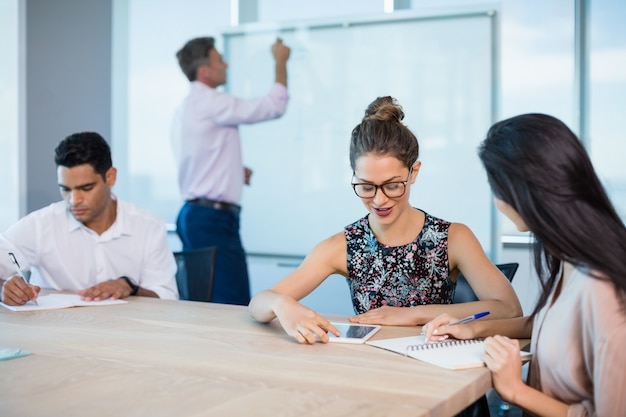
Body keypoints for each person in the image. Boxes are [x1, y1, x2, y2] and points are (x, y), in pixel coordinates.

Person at [248, 96, 522, 344]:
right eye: (366, 186)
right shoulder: (343, 245)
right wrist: (282, 304)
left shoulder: (453, 238)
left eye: (392, 185)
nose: (379, 200)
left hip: (437, 371)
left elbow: (509, 308)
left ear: (413, 172)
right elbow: (259, 303)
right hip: (371, 373)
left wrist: (412, 315)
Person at [423, 113, 626, 416]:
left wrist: (515, 390)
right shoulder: (571, 258)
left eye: (496, 187)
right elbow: (550, 325)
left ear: (522, 190)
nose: (496, 201)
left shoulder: (603, 288)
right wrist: (471, 328)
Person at [171, 36, 291, 306]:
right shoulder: (213, 102)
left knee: (205, 301)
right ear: (204, 72)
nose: (225, 64)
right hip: (212, 220)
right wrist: (281, 62)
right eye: (219, 60)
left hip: (196, 216)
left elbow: (199, 156)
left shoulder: (187, 107)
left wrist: (234, 170)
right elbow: (274, 106)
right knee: (230, 303)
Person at [0, 132, 179, 306]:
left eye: (86, 188)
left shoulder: (149, 226)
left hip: (127, 332)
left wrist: (130, 287)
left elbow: (167, 298)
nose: (74, 200)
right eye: (66, 189)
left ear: (110, 177)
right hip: (57, 332)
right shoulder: (40, 225)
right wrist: (3, 289)